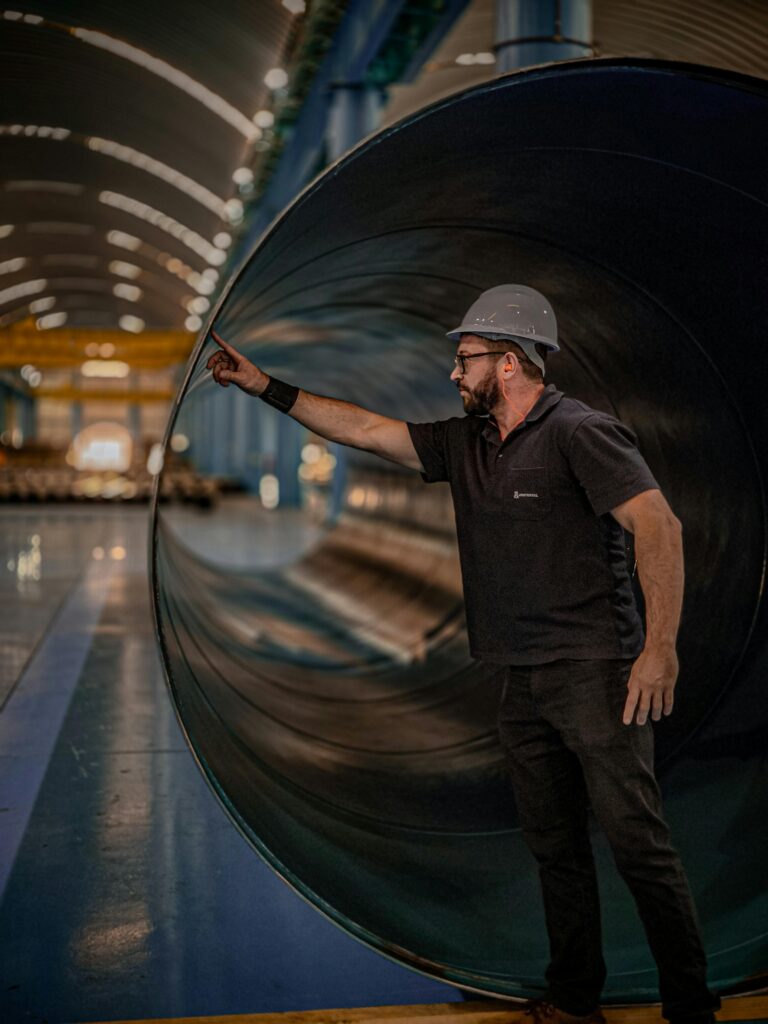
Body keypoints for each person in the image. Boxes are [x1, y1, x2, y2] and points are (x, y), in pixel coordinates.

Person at [206, 284, 720, 1024]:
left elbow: (659, 528)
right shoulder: (467, 444)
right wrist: (266, 388)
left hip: (597, 674)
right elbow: (367, 430)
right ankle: (576, 999)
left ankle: (691, 1006)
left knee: (638, 843)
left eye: (465, 359)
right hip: (519, 679)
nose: (454, 372)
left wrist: (659, 650)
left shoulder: (581, 431)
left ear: (509, 363)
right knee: (555, 847)